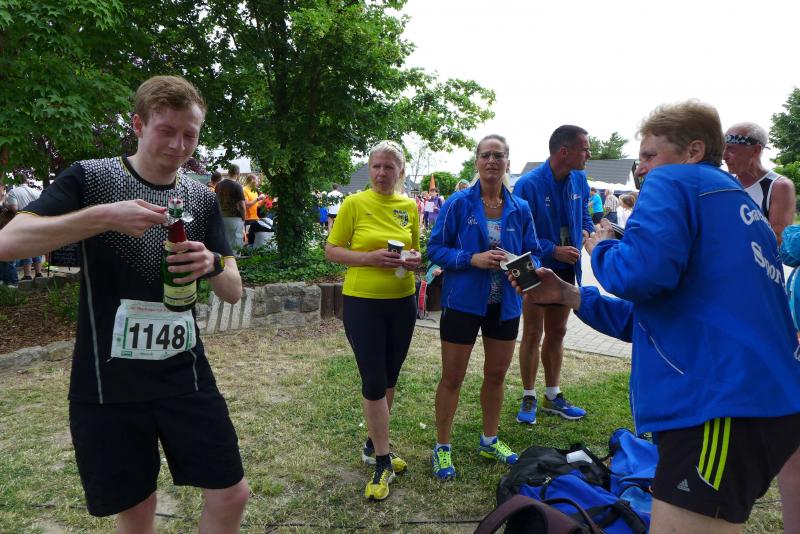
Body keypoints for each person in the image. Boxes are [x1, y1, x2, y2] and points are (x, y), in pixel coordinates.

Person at [513, 100, 800, 533]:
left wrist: (602, 247)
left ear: (693, 151)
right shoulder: (735, 206)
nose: (641, 168)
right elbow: (657, 319)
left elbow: (637, 275)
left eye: (649, 154)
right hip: (755, 402)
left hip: (717, 406)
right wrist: (570, 294)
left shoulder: (677, 181)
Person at [0, 75, 250, 532]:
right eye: (166, 130)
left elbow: (233, 291)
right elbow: (8, 243)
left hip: (184, 371)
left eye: (190, 134)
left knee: (232, 493)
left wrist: (213, 263)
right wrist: (104, 217)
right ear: (138, 124)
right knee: (136, 508)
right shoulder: (92, 177)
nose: (179, 145)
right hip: (108, 379)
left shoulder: (200, 197)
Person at [427, 134, 541, 481]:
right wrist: (471, 259)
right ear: (476, 161)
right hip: (463, 302)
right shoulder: (458, 203)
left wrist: (521, 269)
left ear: (508, 162)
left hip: (504, 305)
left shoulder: (520, 208)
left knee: (496, 375)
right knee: (453, 377)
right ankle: (442, 446)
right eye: (486, 155)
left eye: (499, 155)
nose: (492, 161)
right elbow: (435, 248)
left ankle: (489, 439)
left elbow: (534, 254)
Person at [325, 141, 421, 501]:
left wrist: (414, 260)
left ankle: (372, 443)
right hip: (363, 302)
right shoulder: (354, 203)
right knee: (374, 379)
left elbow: (414, 249)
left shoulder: (409, 207)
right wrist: (369, 258)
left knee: (390, 376)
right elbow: (332, 250)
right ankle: (382, 460)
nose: (381, 173)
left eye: (389, 167)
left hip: (402, 301)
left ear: (401, 171)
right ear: (369, 169)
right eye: (376, 166)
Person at [511, 125, 593, 425]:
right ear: (564, 152)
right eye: (585, 149)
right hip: (534, 267)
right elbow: (517, 233)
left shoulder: (579, 179)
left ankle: (552, 394)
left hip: (566, 268)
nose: (589, 154)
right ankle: (529, 395)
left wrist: (586, 232)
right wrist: (552, 250)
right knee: (533, 332)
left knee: (558, 332)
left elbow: (584, 214)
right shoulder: (528, 184)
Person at [724, 122, 795, 245]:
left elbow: (778, 240)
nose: (724, 156)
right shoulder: (726, 183)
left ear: (755, 150)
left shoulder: (779, 186)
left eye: (731, 149)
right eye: (723, 149)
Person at [6, 179, 44, 279]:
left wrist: (6, 206)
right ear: (26, 181)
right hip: (37, 222)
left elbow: (14, 208)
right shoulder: (36, 191)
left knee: (26, 248)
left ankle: (27, 275)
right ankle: (38, 273)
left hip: (23, 222)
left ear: (16, 181)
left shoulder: (14, 192)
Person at [216, 164, 246, 252]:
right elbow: (242, 206)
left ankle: (223, 260)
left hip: (221, 218)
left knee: (223, 242)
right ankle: (235, 260)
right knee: (235, 245)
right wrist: (244, 218)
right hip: (234, 219)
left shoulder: (218, 185)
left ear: (228, 172)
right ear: (238, 173)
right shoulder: (237, 186)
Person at [242, 174, 266, 244]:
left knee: (255, 240)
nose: (257, 182)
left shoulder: (254, 191)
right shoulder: (244, 190)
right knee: (248, 240)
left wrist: (264, 200)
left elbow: (257, 205)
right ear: (252, 180)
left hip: (255, 218)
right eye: (257, 180)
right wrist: (258, 198)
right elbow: (247, 205)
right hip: (248, 219)